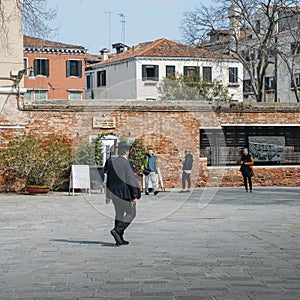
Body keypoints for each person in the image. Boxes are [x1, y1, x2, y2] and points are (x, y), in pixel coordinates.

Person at [104, 141, 141, 246]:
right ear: (126, 151)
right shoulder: (126, 163)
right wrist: (134, 195)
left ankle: (119, 239)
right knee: (131, 213)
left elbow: (108, 178)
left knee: (119, 214)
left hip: (114, 192)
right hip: (125, 193)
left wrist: (108, 195)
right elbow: (130, 179)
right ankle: (117, 230)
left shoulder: (110, 161)